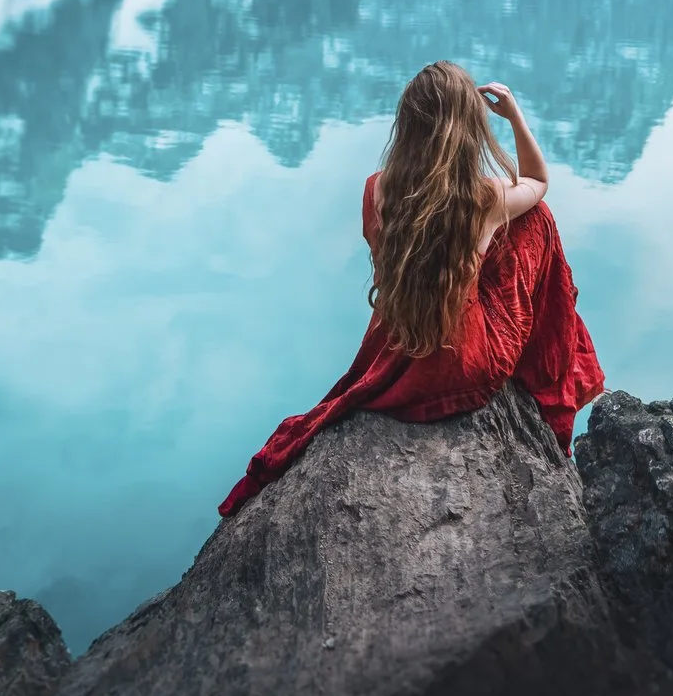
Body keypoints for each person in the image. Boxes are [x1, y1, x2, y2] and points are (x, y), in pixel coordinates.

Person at [217, 61, 605, 516]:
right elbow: (538, 182)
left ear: (409, 124)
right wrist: (516, 116)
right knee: (537, 219)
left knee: (512, 227)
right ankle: (551, 366)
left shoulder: (376, 189)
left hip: (404, 342)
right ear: (466, 131)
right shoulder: (482, 199)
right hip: (469, 366)